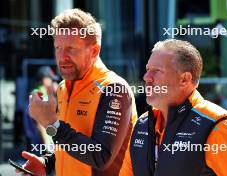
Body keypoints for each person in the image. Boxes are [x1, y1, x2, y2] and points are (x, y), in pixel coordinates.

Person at [17, 9, 137, 176]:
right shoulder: (62, 87)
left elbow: (101, 156)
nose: (62, 57)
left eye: (71, 49)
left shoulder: (114, 88)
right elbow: (70, 143)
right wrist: (47, 162)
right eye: (58, 48)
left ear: (94, 51)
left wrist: (51, 124)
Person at [129, 39, 227, 176]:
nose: (146, 77)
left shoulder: (219, 126)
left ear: (184, 79)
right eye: (148, 70)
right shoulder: (142, 124)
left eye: (157, 71)